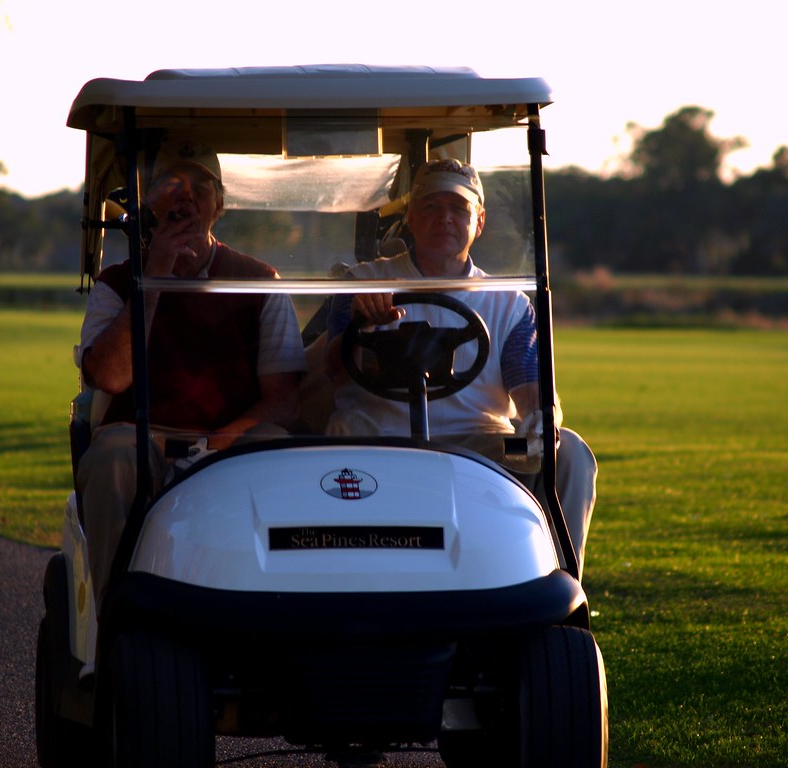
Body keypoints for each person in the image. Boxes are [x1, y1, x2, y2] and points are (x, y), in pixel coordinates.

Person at [324, 158, 597, 577]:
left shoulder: (507, 303)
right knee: (339, 441)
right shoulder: (364, 283)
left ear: (479, 221)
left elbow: (531, 392)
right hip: (379, 435)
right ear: (411, 218)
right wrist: (364, 323)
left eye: (459, 209)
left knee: (572, 453)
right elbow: (332, 373)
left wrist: (544, 419)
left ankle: (559, 584)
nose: (445, 219)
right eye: (431, 207)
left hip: (477, 443)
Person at [75, 139, 306, 602]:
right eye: (171, 187)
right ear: (149, 202)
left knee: (276, 448)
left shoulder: (259, 281)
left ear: (218, 204)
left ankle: (271, 611)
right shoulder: (119, 283)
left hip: (229, 438)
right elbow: (112, 377)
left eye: (200, 187)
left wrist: (218, 441)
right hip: (142, 435)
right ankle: (118, 618)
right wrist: (156, 275)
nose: (185, 198)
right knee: (113, 455)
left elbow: (284, 398)